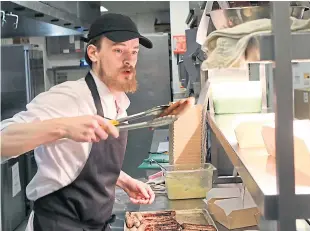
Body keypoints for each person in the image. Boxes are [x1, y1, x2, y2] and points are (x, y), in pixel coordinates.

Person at [1, 13, 194, 231]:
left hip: (95, 223)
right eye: (118, 50)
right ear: (93, 53)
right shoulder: (69, 96)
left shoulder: (119, 103)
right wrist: (63, 127)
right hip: (58, 225)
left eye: (134, 51)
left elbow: (83, 161)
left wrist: (122, 180)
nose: (129, 60)